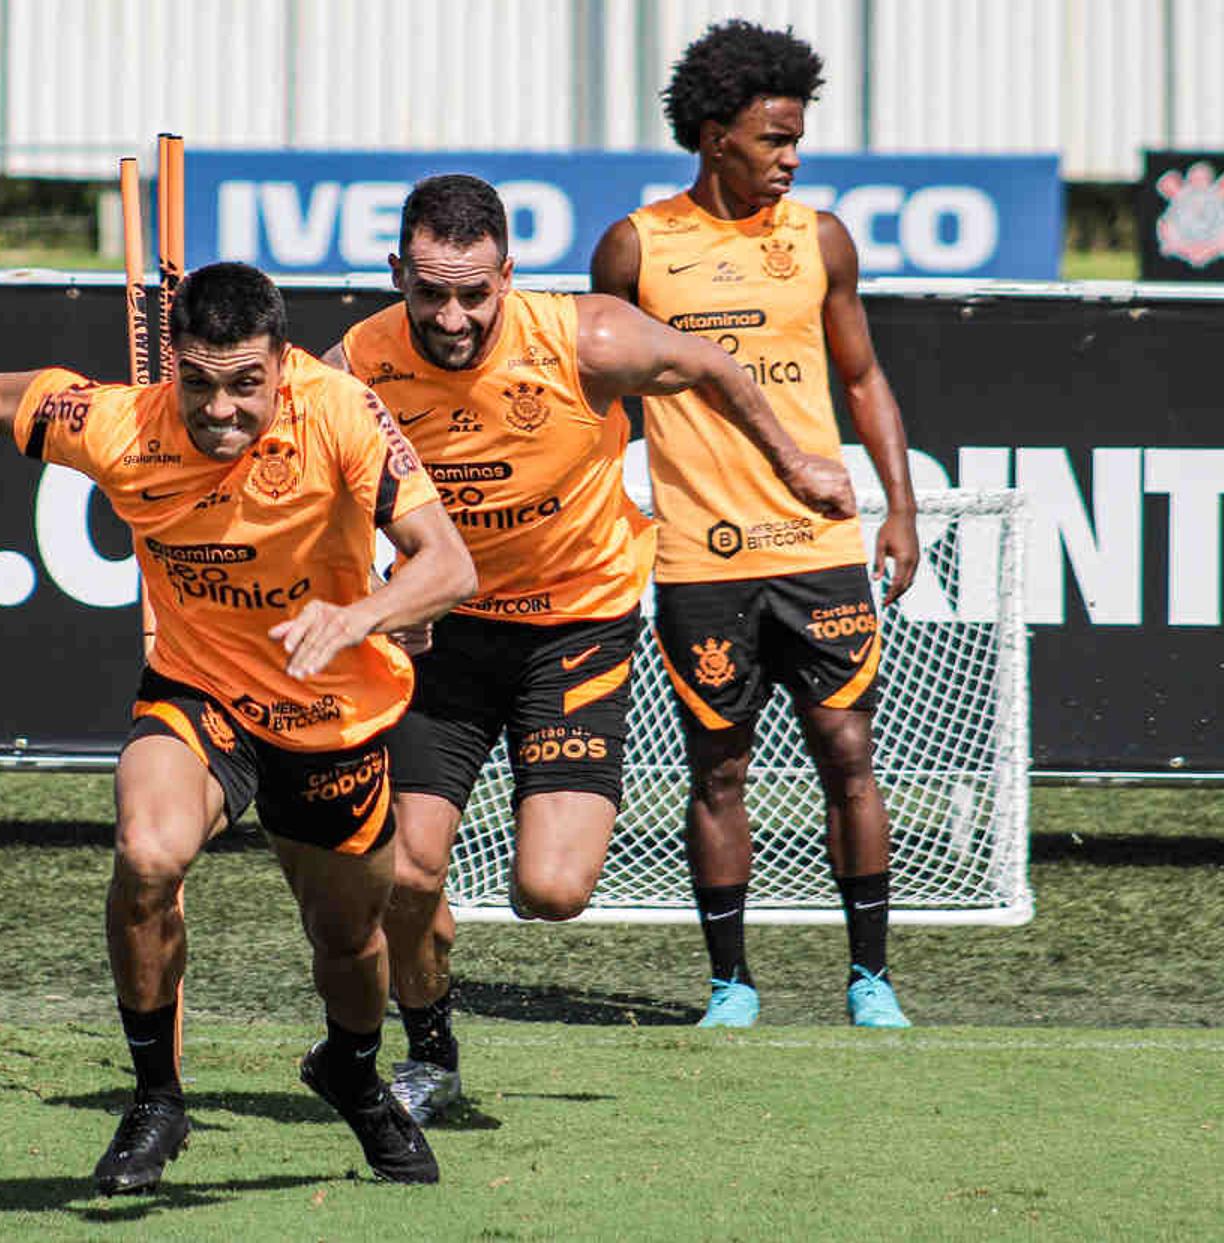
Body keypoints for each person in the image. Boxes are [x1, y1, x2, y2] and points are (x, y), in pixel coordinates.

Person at [0, 262, 476, 1192]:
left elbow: (449, 566)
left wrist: (357, 616)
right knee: (148, 853)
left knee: (349, 941)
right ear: (173, 364)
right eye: (200, 383)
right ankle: (158, 1097)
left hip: (331, 707)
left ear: (281, 366)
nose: (220, 410)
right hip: (199, 693)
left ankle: (354, 1075)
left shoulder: (341, 411)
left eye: (246, 384)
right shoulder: (121, 423)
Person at [325, 174, 855, 1122]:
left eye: (474, 293)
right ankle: (430, 1056)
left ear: (509, 276)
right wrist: (371, 593)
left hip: (575, 627)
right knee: (405, 875)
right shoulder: (356, 365)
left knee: (554, 889)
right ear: (396, 271)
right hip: (442, 641)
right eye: (430, 291)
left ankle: (458, 919)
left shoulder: (587, 339)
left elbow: (717, 370)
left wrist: (795, 461)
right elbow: (304, 487)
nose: (452, 317)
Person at [590, 20, 920, 1029]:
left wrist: (897, 506)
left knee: (847, 750)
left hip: (817, 546)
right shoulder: (637, 245)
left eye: (797, 137)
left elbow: (861, 378)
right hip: (701, 557)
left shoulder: (819, 238)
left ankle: (871, 980)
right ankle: (731, 983)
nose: (792, 156)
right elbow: (595, 396)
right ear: (714, 133)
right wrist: (607, 508)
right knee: (719, 766)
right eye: (775, 137)